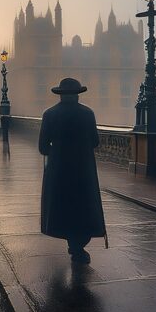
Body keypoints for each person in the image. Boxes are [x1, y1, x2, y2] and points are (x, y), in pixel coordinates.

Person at [38, 78, 106, 265]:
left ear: (60, 94)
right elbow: (95, 142)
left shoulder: (49, 114)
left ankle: (73, 244)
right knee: (83, 207)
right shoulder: (87, 113)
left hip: (59, 169)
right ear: (78, 94)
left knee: (63, 206)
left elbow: (42, 147)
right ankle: (78, 245)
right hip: (83, 169)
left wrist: (58, 150)